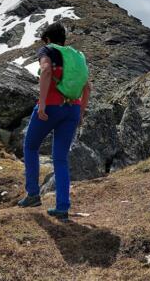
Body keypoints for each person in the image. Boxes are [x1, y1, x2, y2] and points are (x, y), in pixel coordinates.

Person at [17, 22, 90, 220]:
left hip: (50, 107)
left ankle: (33, 194)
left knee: (31, 147)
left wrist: (41, 104)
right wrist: (80, 113)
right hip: (73, 109)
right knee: (60, 158)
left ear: (47, 39)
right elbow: (87, 87)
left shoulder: (46, 50)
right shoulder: (76, 56)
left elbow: (46, 71)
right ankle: (62, 208)